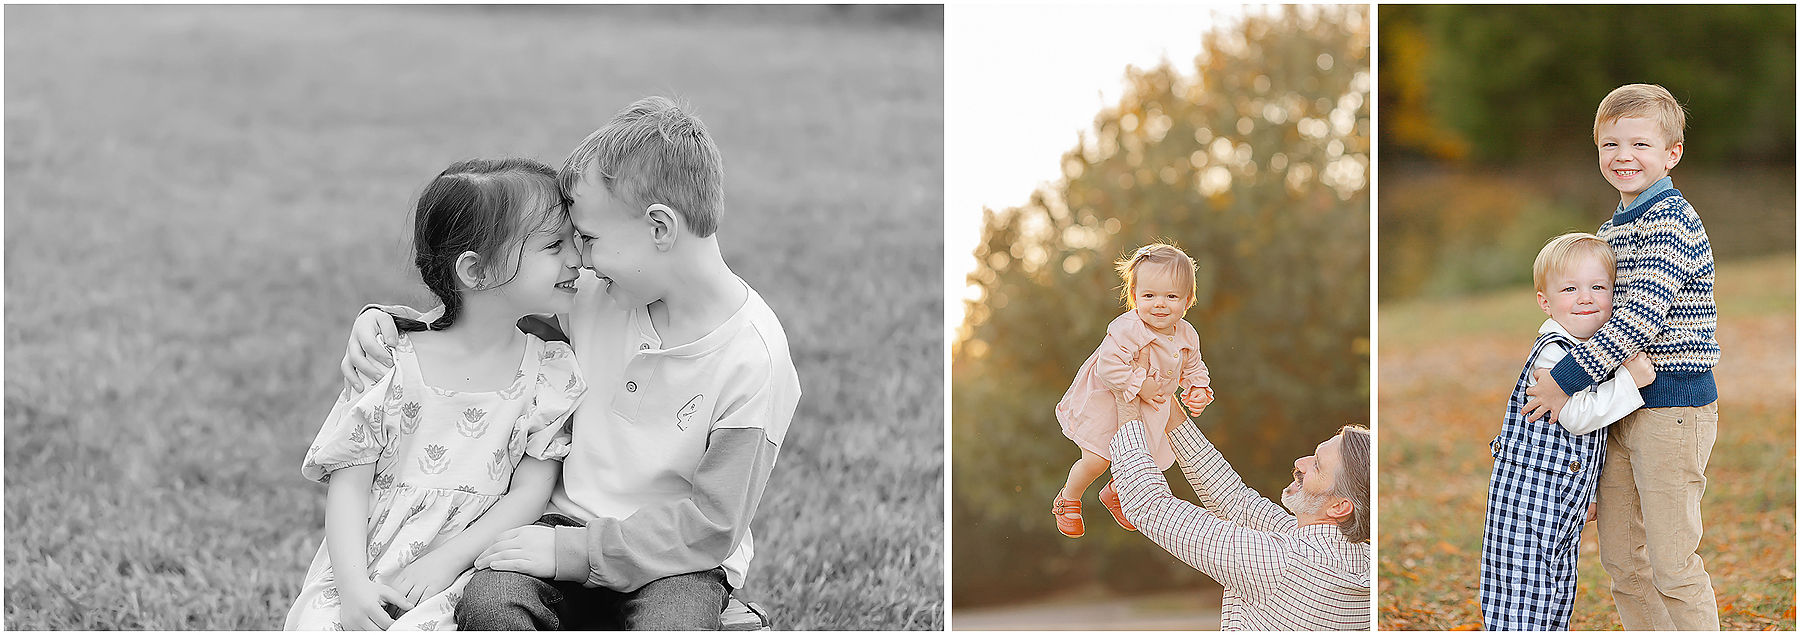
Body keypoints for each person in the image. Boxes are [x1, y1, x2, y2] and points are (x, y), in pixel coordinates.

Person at [342, 96, 801, 630]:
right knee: (488, 606)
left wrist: (576, 553)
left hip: (679, 563)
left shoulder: (754, 359)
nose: (578, 259)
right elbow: (484, 316)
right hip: (556, 525)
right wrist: (390, 324)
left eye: (588, 238)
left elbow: (712, 525)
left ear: (659, 229)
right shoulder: (597, 295)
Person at [286, 158, 587, 631]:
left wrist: (448, 561)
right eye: (555, 245)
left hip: (467, 568)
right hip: (367, 564)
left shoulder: (550, 373)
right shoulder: (389, 360)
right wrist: (352, 587)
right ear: (476, 270)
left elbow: (530, 492)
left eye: (575, 240)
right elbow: (349, 483)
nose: (577, 258)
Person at [1522, 84, 1721, 630]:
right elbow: (1590, 315)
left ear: (1671, 153)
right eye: (1610, 144)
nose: (1623, 155)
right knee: (1622, 562)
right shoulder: (1613, 229)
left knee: (1673, 563)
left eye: (1639, 143)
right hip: (1620, 406)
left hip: (1671, 412)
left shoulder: (1671, 223)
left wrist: (1562, 381)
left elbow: (1636, 322)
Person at [1480, 232, 1655, 630]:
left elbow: (1585, 445)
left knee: (1556, 588)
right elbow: (1575, 418)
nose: (1585, 298)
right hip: (1530, 499)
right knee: (1524, 593)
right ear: (1545, 301)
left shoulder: (1587, 348)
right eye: (1570, 289)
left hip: (1559, 498)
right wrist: (1630, 382)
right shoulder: (1555, 351)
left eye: (1598, 287)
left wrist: (1585, 493)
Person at [1108, 393, 1370, 630]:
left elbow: (1149, 505)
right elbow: (1236, 502)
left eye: (1317, 466)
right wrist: (1165, 400)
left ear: (1339, 507)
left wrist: (1126, 395)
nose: (1300, 463)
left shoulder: (1283, 563)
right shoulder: (1360, 558)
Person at [1052, 243, 1213, 538]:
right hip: (1109, 400)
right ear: (1135, 296)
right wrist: (1141, 384)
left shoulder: (1187, 334)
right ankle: (1068, 499)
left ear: (1188, 300)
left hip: (1151, 409)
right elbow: (1108, 367)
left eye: (1171, 296)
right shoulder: (1127, 328)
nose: (1160, 304)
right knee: (1098, 459)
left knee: (1145, 462)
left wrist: (1197, 388)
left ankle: (1116, 492)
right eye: (1149, 295)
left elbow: (1194, 366)